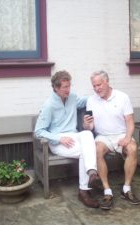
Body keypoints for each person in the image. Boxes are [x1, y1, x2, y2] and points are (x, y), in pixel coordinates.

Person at [34, 70, 101, 208]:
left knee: (87, 134)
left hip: (74, 136)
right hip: (58, 141)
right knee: (85, 152)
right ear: (56, 88)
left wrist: (102, 92)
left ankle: (91, 172)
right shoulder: (49, 105)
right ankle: (84, 191)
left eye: (69, 86)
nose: (68, 90)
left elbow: (86, 100)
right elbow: (38, 132)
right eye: (65, 87)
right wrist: (59, 138)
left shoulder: (72, 98)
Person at [84, 70, 140, 210]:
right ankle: (107, 191)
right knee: (96, 149)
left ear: (107, 82)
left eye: (99, 85)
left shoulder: (122, 97)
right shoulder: (91, 100)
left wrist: (128, 137)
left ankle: (126, 189)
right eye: (94, 86)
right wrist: (86, 125)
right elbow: (90, 127)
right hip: (103, 136)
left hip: (121, 134)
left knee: (133, 148)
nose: (97, 89)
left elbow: (130, 121)